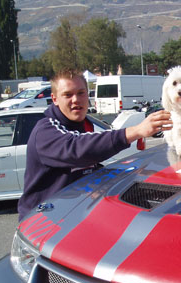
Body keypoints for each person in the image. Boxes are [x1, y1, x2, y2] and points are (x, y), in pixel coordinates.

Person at [18, 69, 172, 221]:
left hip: (72, 216)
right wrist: (136, 131)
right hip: (41, 223)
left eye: (81, 93)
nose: (76, 100)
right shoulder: (46, 130)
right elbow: (77, 150)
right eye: (67, 95)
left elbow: (89, 166)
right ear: (55, 99)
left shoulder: (84, 125)